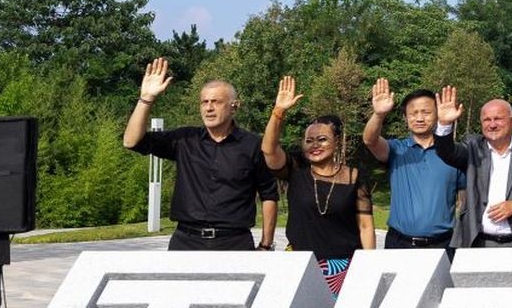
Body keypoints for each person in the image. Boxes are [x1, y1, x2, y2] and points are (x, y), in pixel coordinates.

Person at [123, 57, 278, 251]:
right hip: (186, 243)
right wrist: (146, 99)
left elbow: (269, 195)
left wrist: (265, 245)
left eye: (216, 102)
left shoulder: (253, 145)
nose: (209, 108)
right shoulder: (184, 139)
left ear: (234, 106)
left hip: (234, 244)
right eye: (204, 102)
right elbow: (131, 141)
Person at [261, 75, 374, 293]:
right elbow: (268, 149)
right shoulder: (295, 171)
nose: (315, 145)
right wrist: (279, 112)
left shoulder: (354, 177)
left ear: (336, 142)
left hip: (344, 267)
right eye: (309, 140)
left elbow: (365, 226)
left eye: (322, 139)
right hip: (298, 264)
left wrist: (369, 267)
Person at [432, 89, 512, 248]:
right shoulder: (472, 147)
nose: (492, 124)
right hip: (478, 243)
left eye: (498, 119)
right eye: (487, 120)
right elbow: (447, 152)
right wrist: (445, 125)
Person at [361, 78, 465, 253]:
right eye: (413, 113)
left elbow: (467, 201)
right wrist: (379, 115)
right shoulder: (396, 150)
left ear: (437, 114)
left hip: (442, 244)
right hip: (399, 244)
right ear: (405, 118)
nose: (419, 118)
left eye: (426, 112)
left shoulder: (454, 155)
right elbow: (369, 140)